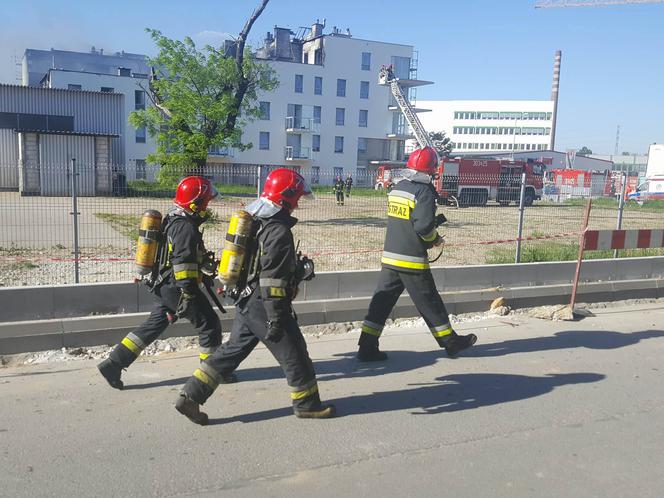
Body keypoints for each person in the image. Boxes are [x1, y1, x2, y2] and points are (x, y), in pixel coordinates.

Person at [175, 168, 336, 425]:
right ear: (287, 198)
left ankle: (191, 395)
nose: (297, 205)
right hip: (264, 303)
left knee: (232, 351)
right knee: (294, 351)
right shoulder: (278, 231)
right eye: (296, 199)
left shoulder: (254, 217)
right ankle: (307, 404)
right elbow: (272, 280)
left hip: (247, 299)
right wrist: (277, 317)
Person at [97, 176, 224, 389]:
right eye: (206, 202)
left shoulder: (173, 219)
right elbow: (182, 262)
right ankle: (210, 375)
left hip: (164, 287)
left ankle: (114, 363)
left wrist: (204, 261)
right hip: (177, 288)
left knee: (154, 325)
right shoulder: (185, 226)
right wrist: (189, 293)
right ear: (196, 204)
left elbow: (177, 254)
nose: (208, 206)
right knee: (209, 325)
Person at [357, 146, 477, 362]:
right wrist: (435, 240)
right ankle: (451, 343)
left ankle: (366, 346)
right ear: (430, 170)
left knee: (380, 304)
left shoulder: (397, 188)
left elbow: (405, 221)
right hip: (411, 260)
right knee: (430, 303)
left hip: (390, 257)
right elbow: (423, 227)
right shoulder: (424, 192)